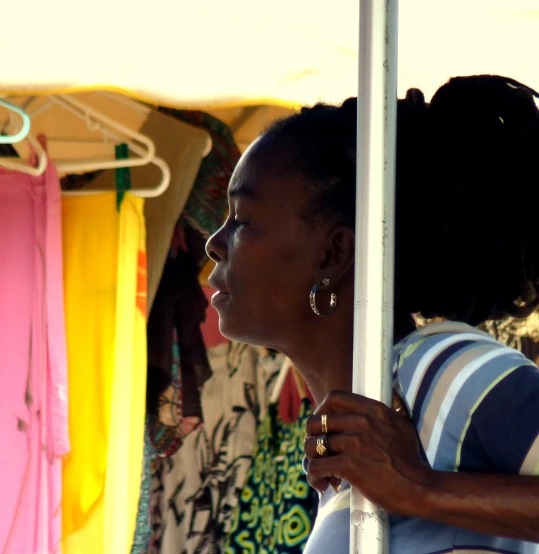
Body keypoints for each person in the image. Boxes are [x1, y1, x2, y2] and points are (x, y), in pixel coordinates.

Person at [205, 75, 539, 552]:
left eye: (242, 220)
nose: (214, 245)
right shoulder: (357, 446)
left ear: (334, 253)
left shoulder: (444, 368)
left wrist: (421, 489)